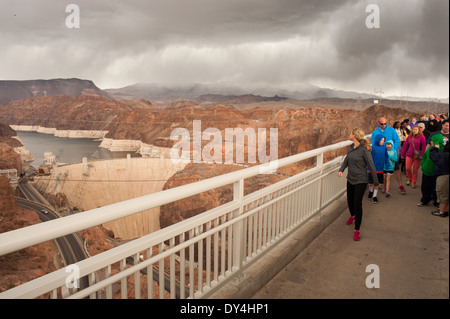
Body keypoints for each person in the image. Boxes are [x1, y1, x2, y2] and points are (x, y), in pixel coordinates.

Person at [338, 128, 379, 241]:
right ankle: (353, 216)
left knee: (357, 204)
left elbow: (371, 166)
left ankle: (357, 230)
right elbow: (346, 161)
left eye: (350, 133)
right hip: (350, 179)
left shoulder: (364, 150)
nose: (349, 135)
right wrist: (341, 170)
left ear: (354, 136)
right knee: (350, 201)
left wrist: (376, 182)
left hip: (361, 181)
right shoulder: (351, 147)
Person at [371, 117, 404, 194]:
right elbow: (373, 142)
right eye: (382, 124)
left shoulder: (391, 130)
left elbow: (396, 140)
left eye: (385, 123)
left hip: (391, 153)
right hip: (381, 154)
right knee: (382, 170)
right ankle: (383, 186)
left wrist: (393, 150)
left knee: (396, 169)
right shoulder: (375, 132)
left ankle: (400, 185)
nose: (384, 125)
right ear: (379, 123)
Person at [418, 133, 444, 208]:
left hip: (435, 173)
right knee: (425, 187)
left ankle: (436, 202)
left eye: (432, 141)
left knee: (435, 188)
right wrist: (423, 165)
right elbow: (424, 157)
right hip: (426, 171)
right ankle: (425, 200)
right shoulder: (430, 148)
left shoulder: (441, 150)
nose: (431, 142)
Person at [429, 142, 449, 217]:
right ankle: (446, 210)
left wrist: (435, 147)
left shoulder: (442, 156)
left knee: (442, 195)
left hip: (443, 176)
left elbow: (432, 155)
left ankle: (441, 212)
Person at [368, 134, 387, 204]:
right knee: (370, 182)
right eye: (381, 140)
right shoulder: (372, 148)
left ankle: (374, 196)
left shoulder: (384, 148)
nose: (382, 141)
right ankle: (370, 190)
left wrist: (387, 163)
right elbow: (368, 157)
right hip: (372, 168)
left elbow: (386, 156)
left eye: (383, 140)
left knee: (377, 183)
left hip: (380, 168)